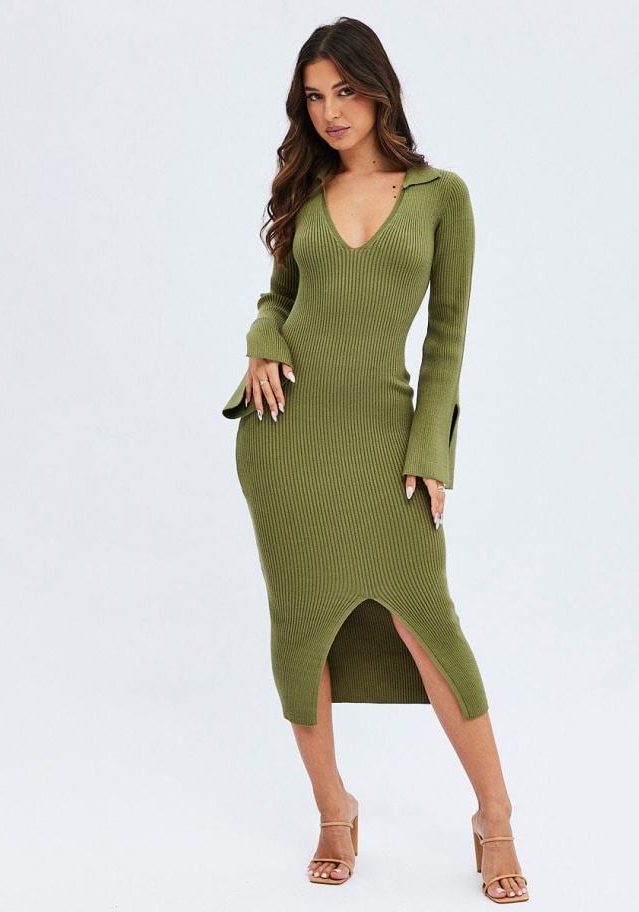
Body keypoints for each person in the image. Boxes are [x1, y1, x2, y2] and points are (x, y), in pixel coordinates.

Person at [221, 17, 529, 903]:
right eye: (315, 97)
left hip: (385, 440)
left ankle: (496, 817)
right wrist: (261, 339)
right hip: (285, 439)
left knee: (430, 626)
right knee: (300, 629)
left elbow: (447, 335)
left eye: (345, 90)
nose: (330, 111)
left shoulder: (440, 195)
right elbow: (279, 299)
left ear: (379, 89)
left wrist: (432, 448)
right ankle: (333, 811)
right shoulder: (307, 190)